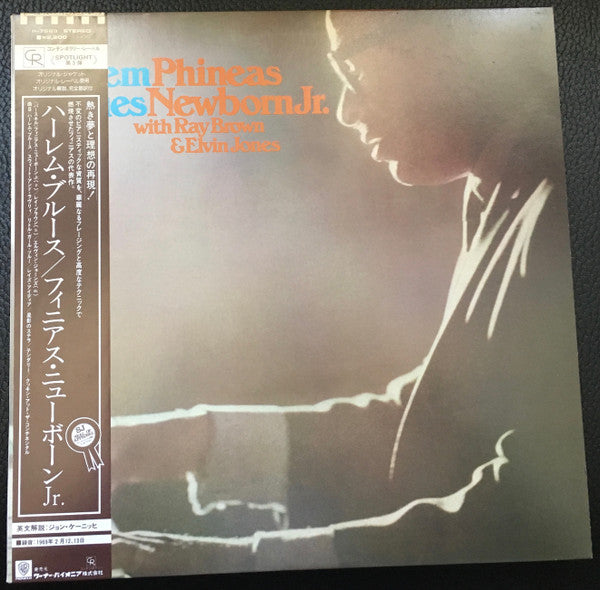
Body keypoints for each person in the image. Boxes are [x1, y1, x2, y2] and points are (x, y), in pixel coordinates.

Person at [110, 10, 590, 576]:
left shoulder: (556, 204)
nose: (346, 110)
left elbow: (523, 524)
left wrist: (214, 562)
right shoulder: (500, 186)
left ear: (440, 50)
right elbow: (437, 425)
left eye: (352, 72)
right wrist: (152, 445)